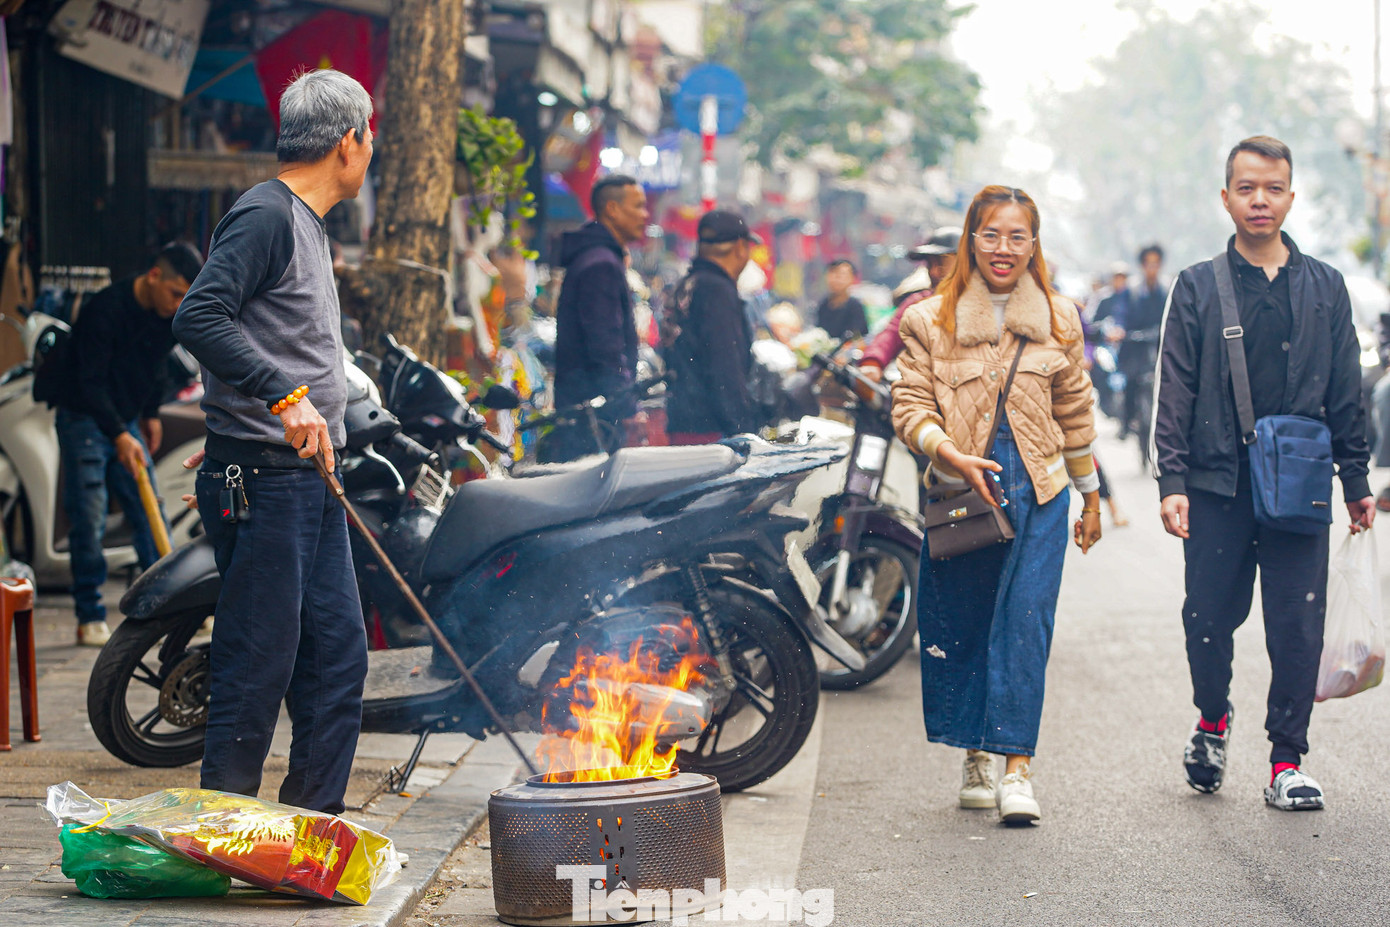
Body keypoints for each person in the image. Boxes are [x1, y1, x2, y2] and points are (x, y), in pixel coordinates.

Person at [172, 69, 374, 815]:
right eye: (370, 133)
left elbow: (262, 332)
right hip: (265, 484)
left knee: (336, 659)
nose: (371, 147)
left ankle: (309, 831)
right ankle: (220, 833)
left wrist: (252, 410)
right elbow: (199, 317)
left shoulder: (308, 223)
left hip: (307, 478)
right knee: (256, 666)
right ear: (348, 140)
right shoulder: (264, 214)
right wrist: (281, 399)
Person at [1152, 135, 1374, 811]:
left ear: (1290, 196)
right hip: (1219, 484)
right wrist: (1172, 482)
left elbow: (1346, 390)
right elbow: (1176, 387)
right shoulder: (1196, 286)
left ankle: (1286, 760)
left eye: (1272, 188)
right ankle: (1212, 721)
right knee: (1208, 616)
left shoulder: (1325, 287)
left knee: (1297, 626)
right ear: (1226, 198)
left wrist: (1357, 481)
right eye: (1246, 188)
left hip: (1301, 484)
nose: (1259, 200)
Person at [892, 186, 1101, 825]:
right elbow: (910, 407)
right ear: (971, 239)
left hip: (1039, 491)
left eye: (1017, 236)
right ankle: (976, 756)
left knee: (1026, 623)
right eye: (991, 234)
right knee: (967, 622)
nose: (1003, 248)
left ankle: (1017, 769)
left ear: (1033, 244)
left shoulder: (1061, 318)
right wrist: (946, 453)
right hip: (962, 493)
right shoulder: (928, 319)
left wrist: (1090, 496)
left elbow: (1074, 411)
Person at [54, 242, 203, 646]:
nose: (177, 305)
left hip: (126, 420)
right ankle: (89, 616)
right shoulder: (105, 309)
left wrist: (150, 413)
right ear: (155, 276)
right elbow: (89, 381)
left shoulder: (164, 317)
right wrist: (119, 433)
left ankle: (173, 605)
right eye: (175, 294)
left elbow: (153, 368)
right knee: (89, 516)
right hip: (84, 417)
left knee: (147, 509)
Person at [550, 174, 649, 459]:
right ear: (612, 209)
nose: (645, 215)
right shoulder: (600, 265)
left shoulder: (600, 258)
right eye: (638, 206)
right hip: (593, 419)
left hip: (590, 411)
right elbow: (605, 344)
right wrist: (625, 406)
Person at [662, 210, 761, 444]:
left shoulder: (688, 284)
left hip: (682, 422)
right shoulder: (717, 290)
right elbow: (724, 365)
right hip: (710, 434)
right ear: (740, 247)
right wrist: (743, 432)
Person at [858, 227, 961, 382]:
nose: (933, 272)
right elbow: (891, 334)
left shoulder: (984, 303)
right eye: (929, 265)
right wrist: (872, 362)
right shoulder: (918, 302)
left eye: (941, 263)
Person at [1115, 245, 1167, 447]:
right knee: (1131, 382)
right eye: (1148, 263)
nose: (1152, 268)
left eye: (1155, 263)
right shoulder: (1132, 291)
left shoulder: (1167, 289)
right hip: (1134, 347)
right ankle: (1126, 423)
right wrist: (1118, 330)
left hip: (1160, 344)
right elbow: (1120, 314)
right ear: (1142, 265)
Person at [813, 259, 868, 338]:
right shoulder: (823, 305)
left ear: (852, 278)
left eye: (842, 275)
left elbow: (859, 335)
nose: (836, 279)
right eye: (832, 273)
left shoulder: (855, 307)